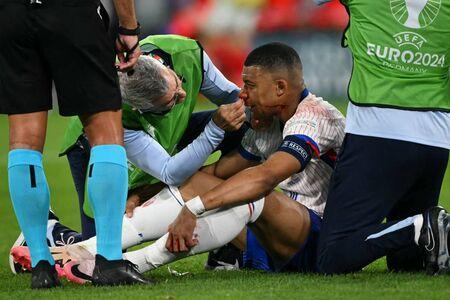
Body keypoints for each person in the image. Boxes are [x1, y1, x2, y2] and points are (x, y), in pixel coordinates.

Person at [12, 42, 346, 282]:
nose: (241, 94)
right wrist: (145, 195)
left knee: (252, 193)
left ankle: (127, 261)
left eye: (249, 85)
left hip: (314, 241)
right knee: (204, 181)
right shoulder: (266, 123)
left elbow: (266, 176)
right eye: (243, 84)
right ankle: (90, 253)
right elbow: (211, 172)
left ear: (280, 89)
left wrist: (195, 208)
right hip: (268, 236)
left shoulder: (315, 116)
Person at [0, 0, 155, 288]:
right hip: (72, 11)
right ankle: (108, 261)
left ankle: (41, 265)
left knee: (23, 140)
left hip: (13, 15)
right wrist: (128, 26)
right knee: (105, 131)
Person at [57, 34, 247, 240]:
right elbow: (170, 172)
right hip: (96, 146)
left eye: (177, 82)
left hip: (167, 133)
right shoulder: (115, 115)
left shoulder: (185, 52)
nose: (183, 95)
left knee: (240, 125)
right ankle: (55, 234)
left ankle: (228, 241)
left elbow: (230, 96)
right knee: (101, 247)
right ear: (141, 109)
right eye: (171, 101)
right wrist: (214, 130)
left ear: (162, 66)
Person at [312, 0, 450, 274]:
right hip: (436, 140)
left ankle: (425, 224)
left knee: (333, 256)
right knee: (407, 262)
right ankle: (429, 228)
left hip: (376, 136)